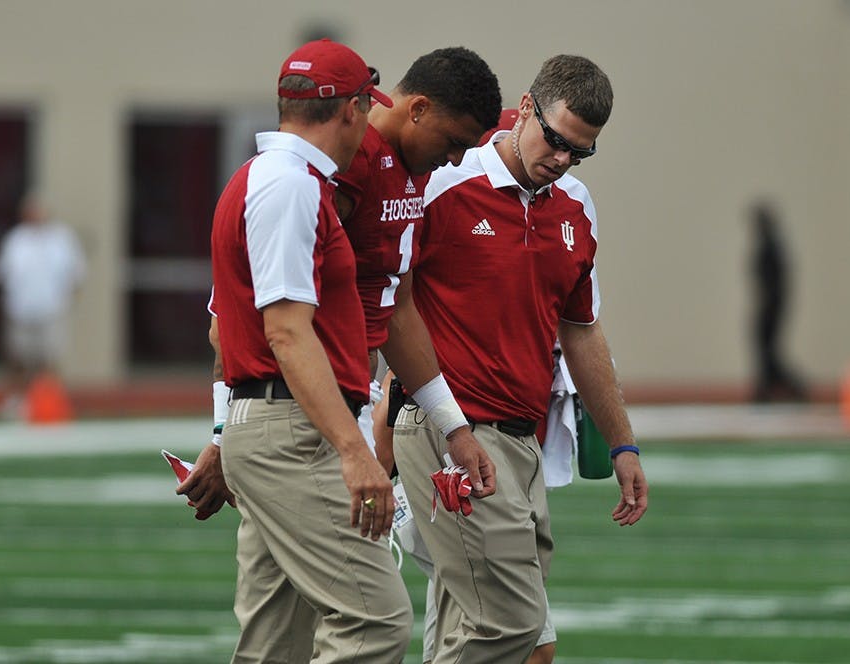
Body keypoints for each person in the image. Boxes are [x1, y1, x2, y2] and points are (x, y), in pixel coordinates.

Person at [391, 55, 649, 662]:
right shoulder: (443, 184)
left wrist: (623, 443)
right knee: (516, 633)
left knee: (482, 630)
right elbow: (390, 307)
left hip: (522, 441)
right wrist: (382, 415)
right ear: (527, 108)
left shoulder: (574, 204)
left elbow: (581, 332)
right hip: (451, 435)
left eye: (579, 152)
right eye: (557, 141)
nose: (562, 159)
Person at [180, 47, 504, 518]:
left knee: (283, 589)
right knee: (367, 587)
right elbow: (239, 310)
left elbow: (396, 307)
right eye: (454, 140)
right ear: (417, 110)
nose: (455, 160)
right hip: (307, 410)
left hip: (340, 399)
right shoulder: (333, 171)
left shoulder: (405, 172)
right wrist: (223, 429)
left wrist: (452, 427)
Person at [207, 39, 412, 662]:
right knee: (374, 621)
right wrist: (355, 451)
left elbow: (224, 329)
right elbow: (288, 333)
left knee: (276, 643)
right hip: (293, 433)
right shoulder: (291, 185)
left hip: (269, 424)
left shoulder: (262, 179)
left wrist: (226, 434)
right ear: (351, 110)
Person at [0, 195, 86, 411]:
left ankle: (48, 401)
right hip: (19, 309)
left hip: (51, 308)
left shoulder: (62, 238)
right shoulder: (16, 239)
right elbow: (3, 273)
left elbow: (77, 274)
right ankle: (18, 400)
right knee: (19, 357)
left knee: (49, 357)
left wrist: (66, 302)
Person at [750, 200, 808, 402]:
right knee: (765, 351)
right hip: (768, 304)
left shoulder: (772, 247)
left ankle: (788, 386)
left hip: (771, 306)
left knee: (768, 350)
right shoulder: (769, 245)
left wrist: (770, 304)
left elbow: (775, 280)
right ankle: (765, 390)